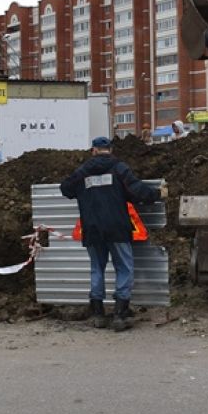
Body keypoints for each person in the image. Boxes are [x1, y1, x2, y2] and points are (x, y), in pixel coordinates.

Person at [60, 136, 164, 331]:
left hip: (92, 228)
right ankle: (120, 313)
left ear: (93, 151)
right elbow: (137, 191)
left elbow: (65, 189)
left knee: (96, 268)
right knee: (124, 267)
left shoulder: (83, 171)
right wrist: (157, 194)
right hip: (117, 227)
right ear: (110, 149)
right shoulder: (119, 168)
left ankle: (98, 314)